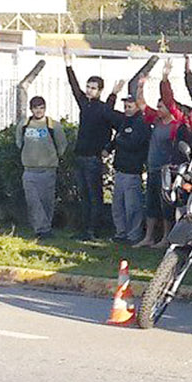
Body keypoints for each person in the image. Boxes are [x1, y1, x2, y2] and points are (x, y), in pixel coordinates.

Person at [63, 46, 124, 238]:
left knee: (94, 196)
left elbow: (118, 124)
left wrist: (108, 147)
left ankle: (93, 229)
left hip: (93, 158)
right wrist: (68, 64)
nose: (89, 90)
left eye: (93, 88)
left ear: (99, 91)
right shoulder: (85, 103)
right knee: (84, 196)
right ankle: (84, 229)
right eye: (88, 87)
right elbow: (74, 88)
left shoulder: (103, 108)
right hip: (80, 156)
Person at [143, 59, 189, 246]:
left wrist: (165, 78)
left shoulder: (176, 124)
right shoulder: (156, 121)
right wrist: (141, 86)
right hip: (153, 168)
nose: (158, 108)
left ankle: (166, 238)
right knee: (151, 205)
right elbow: (141, 105)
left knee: (166, 206)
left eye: (161, 106)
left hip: (166, 171)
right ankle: (149, 237)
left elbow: (169, 99)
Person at [15, 95, 68, 238]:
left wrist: (53, 158)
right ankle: (41, 229)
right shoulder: (24, 124)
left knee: (47, 201)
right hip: (29, 169)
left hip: (48, 169)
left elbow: (62, 144)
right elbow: (19, 142)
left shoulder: (53, 125)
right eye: (35, 108)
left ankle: (46, 228)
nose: (38, 111)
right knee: (33, 200)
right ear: (31, 109)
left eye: (41, 108)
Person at [109, 95, 152, 244]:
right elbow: (118, 139)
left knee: (132, 206)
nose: (127, 110)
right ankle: (121, 232)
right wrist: (110, 147)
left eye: (130, 106)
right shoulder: (124, 121)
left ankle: (133, 234)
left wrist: (121, 139)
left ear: (137, 106)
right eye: (125, 107)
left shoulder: (142, 123)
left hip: (132, 170)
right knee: (118, 204)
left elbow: (135, 144)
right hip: (120, 168)